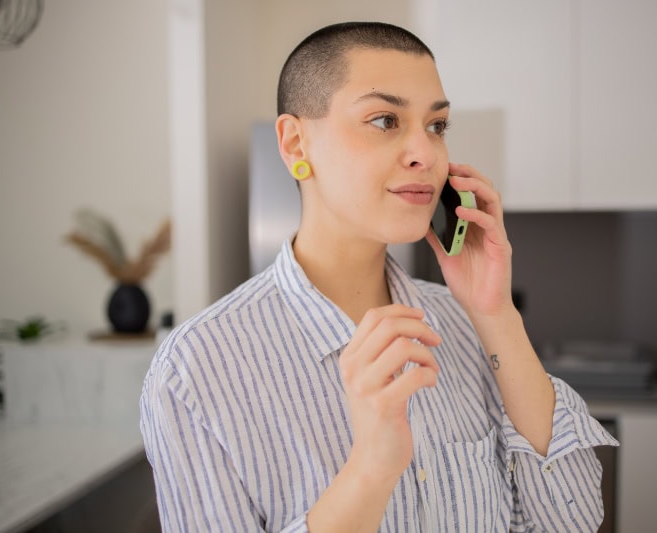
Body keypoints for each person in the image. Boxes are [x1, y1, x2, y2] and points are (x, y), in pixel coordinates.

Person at [140, 21, 618, 532]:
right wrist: (371, 467)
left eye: (436, 126)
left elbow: (572, 523)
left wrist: (495, 313)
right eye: (385, 119)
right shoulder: (194, 372)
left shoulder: (466, 326)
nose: (426, 154)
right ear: (296, 144)